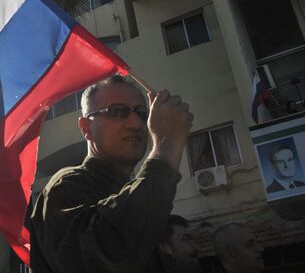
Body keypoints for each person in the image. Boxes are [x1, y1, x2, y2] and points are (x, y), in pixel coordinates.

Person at [29, 75, 193, 272]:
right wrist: (165, 151)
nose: (136, 123)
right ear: (86, 128)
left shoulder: (130, 190)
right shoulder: (66, 185)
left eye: (141, 113)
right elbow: (108, 252)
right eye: (117, 112)